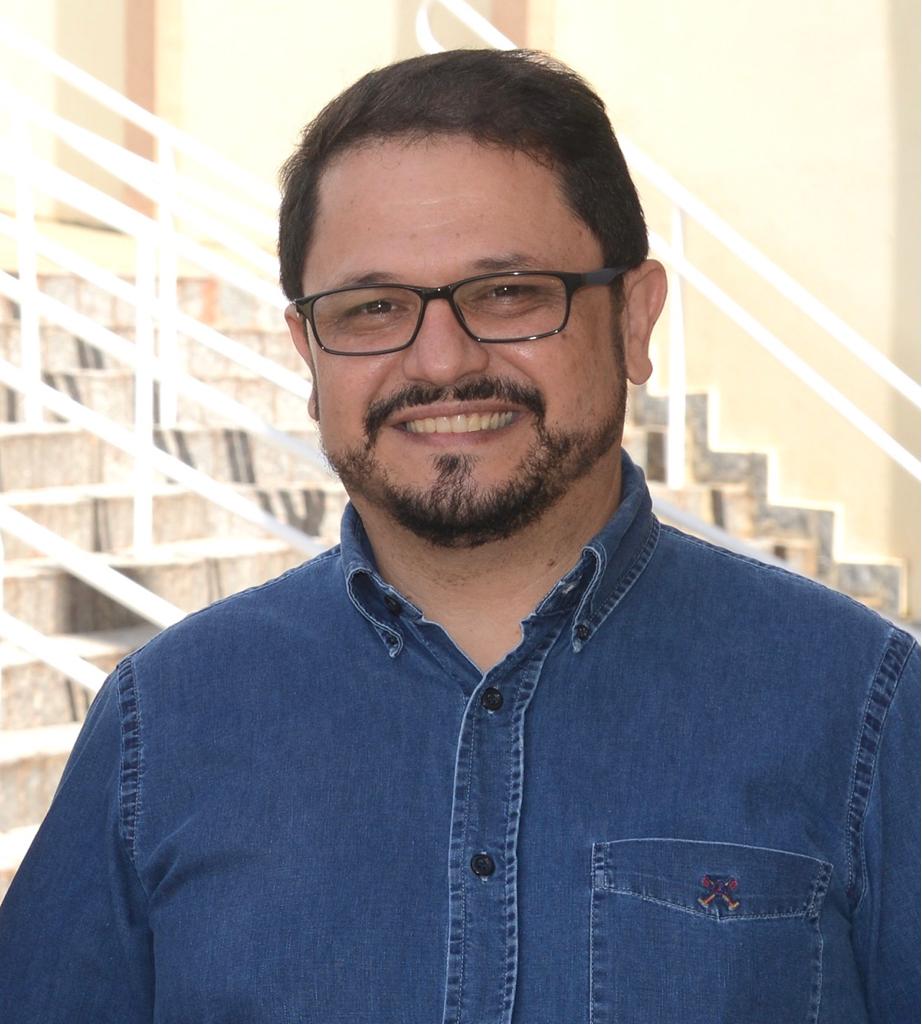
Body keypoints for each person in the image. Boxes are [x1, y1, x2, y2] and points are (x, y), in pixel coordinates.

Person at [0, 48, 917, 1024]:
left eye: (508, 292)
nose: (440, 361)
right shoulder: (163, 720)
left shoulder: (864, 706)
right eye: (372, 308)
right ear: (308, 354)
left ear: (635, 318)